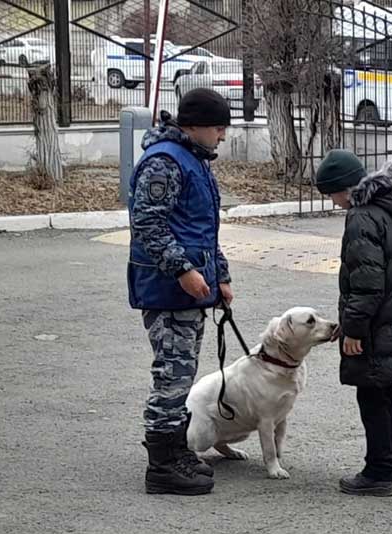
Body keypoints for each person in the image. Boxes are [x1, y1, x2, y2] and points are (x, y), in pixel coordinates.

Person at [127, 88, 234, 496]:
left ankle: (178, 450)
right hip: (167, 288)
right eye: (218, 128)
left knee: (183, 371)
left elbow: (203, 230)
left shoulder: (194, 160)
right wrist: (183, 270)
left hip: (191, 288)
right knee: (172, 375)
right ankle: (162, 465)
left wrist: (219, 276)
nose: (222, 136)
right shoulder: (164, 162)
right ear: (195, 126)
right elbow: (149, 226)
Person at [315, 150, 392, 497]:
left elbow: (367, 282)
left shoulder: (362, 217)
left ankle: (379, 471)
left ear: (345, 189)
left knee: (372, 397)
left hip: (375, 324)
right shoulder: (390, 209)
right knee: (386, 394)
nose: (334, 203)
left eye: (332, 194)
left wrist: (353, 329)